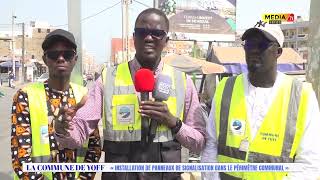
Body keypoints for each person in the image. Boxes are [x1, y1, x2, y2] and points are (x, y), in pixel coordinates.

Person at [55, 8, 206, 180]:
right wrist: (63, 130)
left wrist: (173, 122)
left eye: (156, 33)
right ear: (134, 38)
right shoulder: (107, 79)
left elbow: (199, 142)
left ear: (166, 40)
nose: (148, 38)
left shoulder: (183, 82)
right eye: (142, 32)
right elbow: (77, 134)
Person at [201, 21, 320, 179]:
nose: (254, 50)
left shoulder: (302, 96)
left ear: (278, 52)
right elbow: (211, 146)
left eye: (262, 44)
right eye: (249, 44)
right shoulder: (225, 89)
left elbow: (309, 163)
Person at [11, 29, 101, 180]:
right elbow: (20, 158)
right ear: (45, 59)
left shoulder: (85, 96)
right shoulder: (25, 96)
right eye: (53, 54)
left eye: (67, 54)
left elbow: (94, 148)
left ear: (75, 59)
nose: (60, 58)